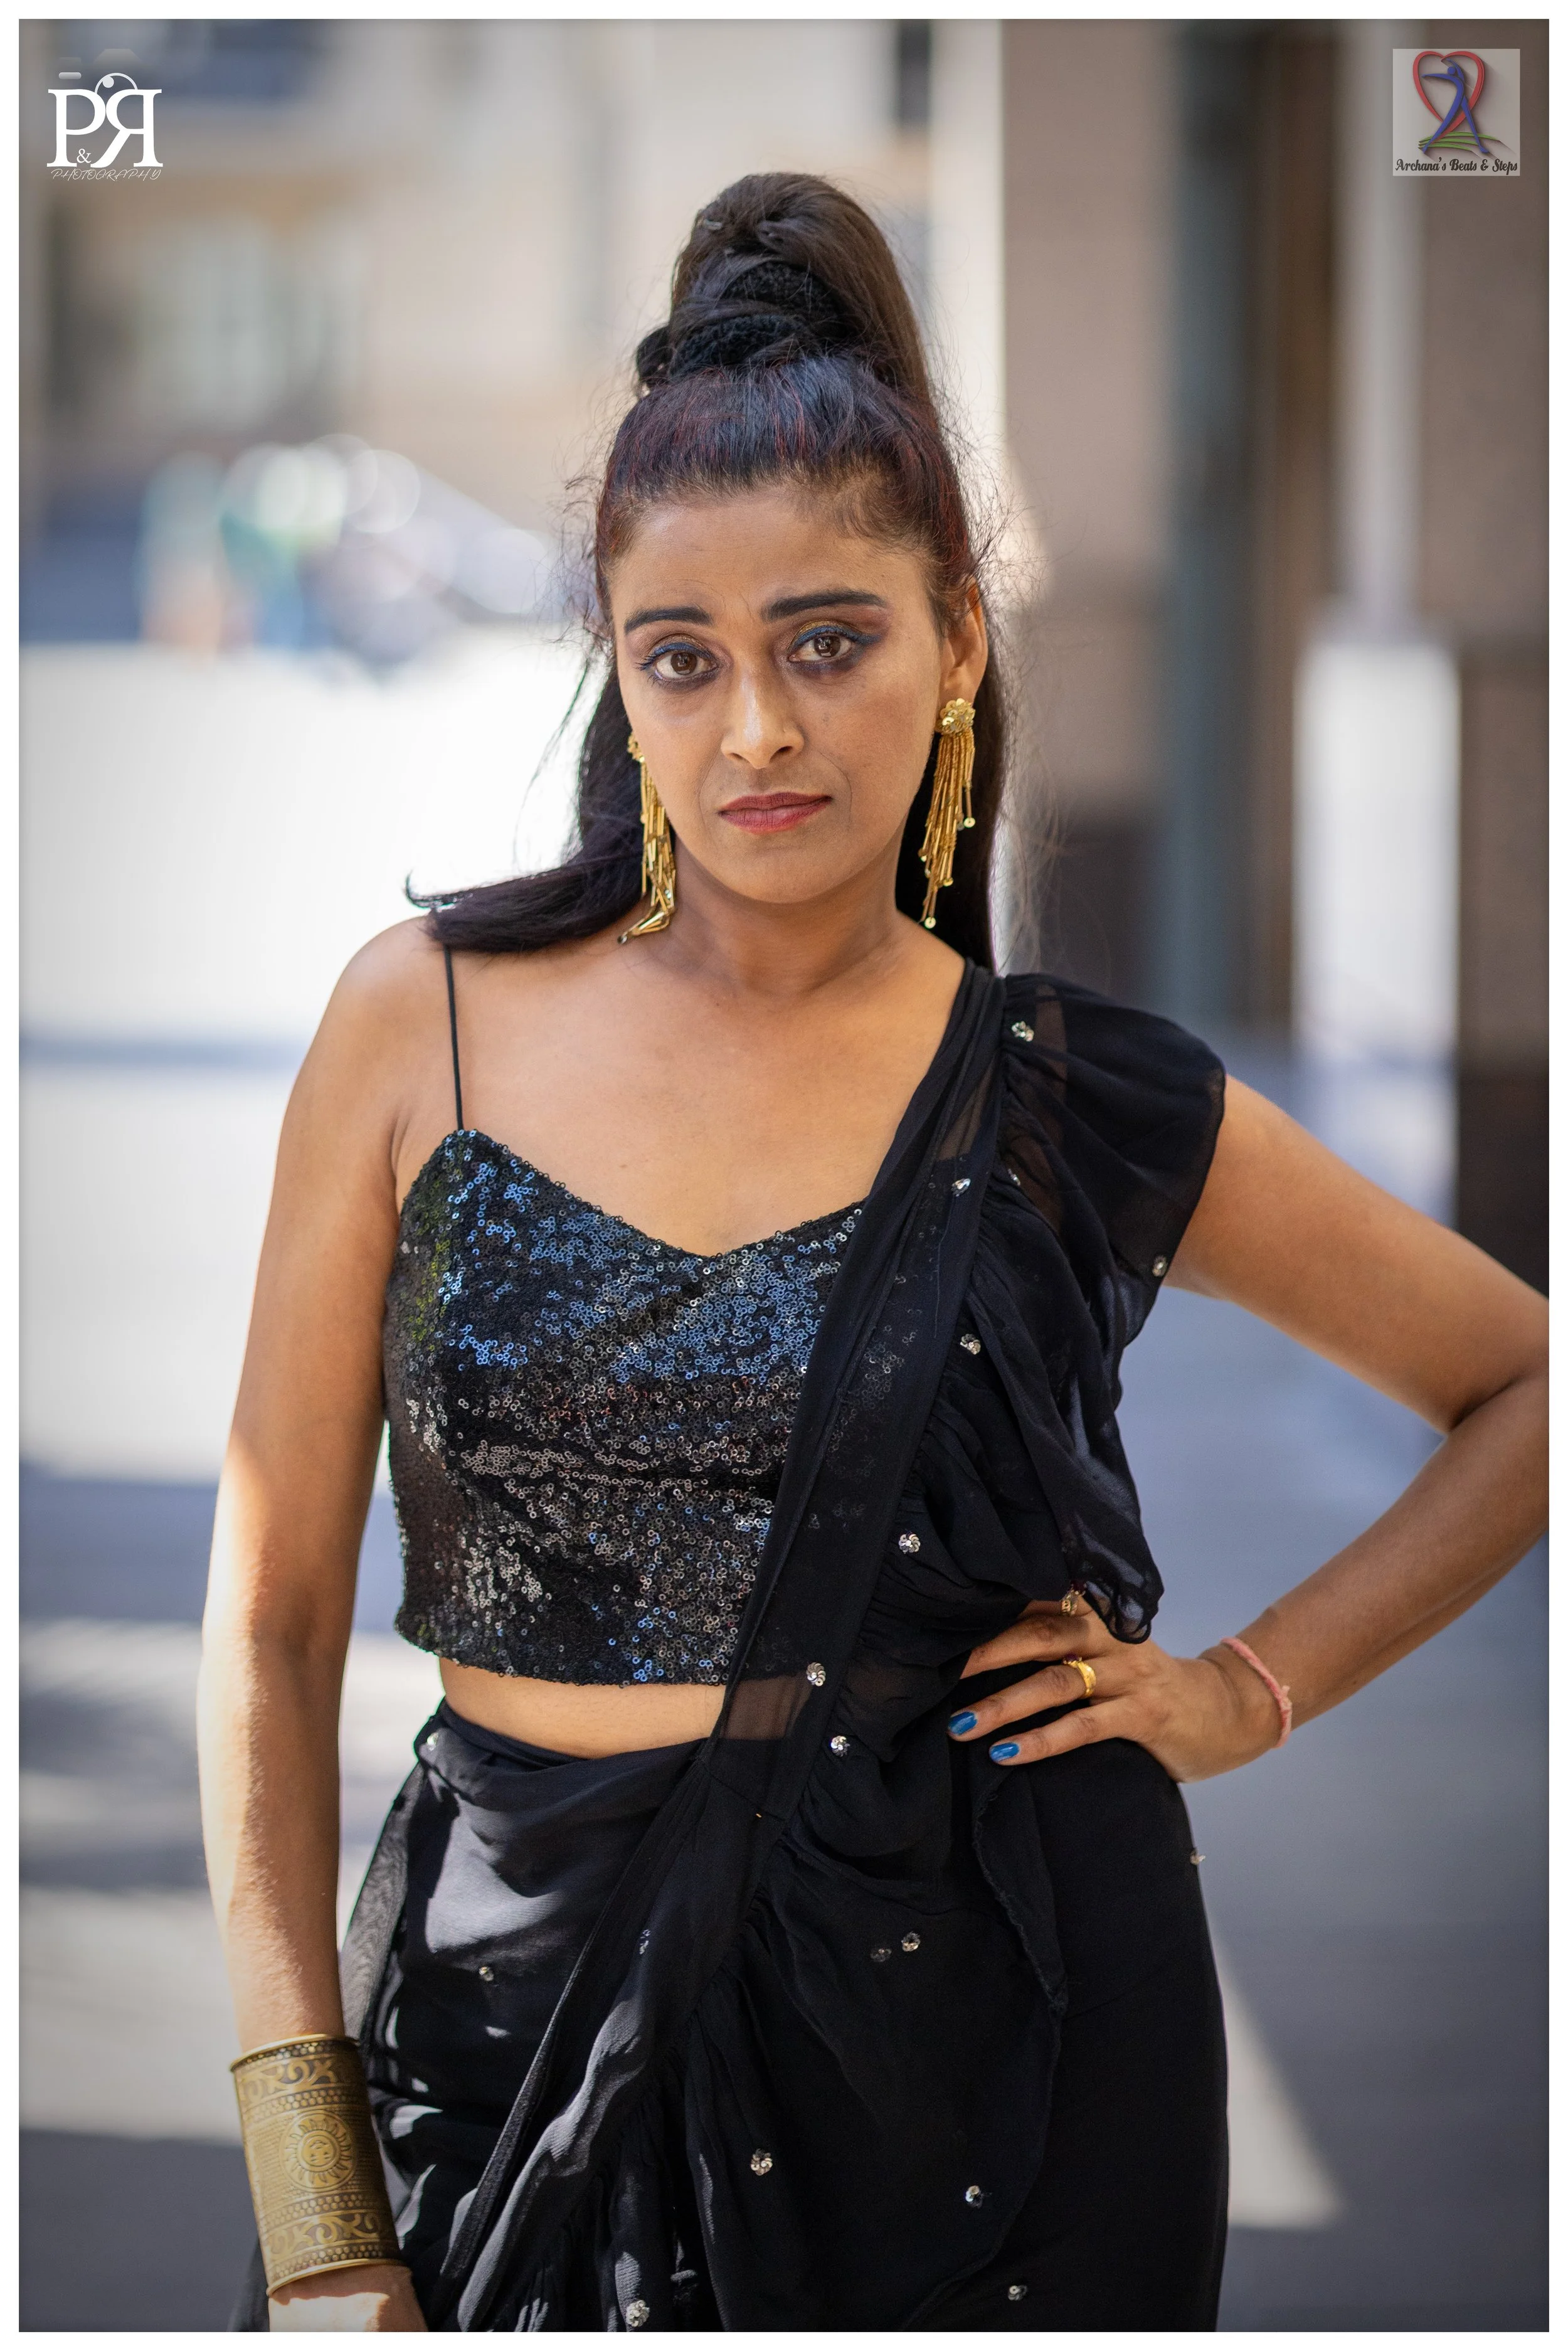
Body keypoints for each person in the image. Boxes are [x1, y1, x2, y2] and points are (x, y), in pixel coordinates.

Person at [199, 173, 1547, 2335]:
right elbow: (266, 1623)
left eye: (828, 642)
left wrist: (1242, 1691)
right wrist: (312, 2204)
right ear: (617, 684)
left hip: (1004, 2053)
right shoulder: (416, 1022)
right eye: (682, 658)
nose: (758, 731)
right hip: (503, 2035)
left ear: (953, 642)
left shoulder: (1067, 1094)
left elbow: (1525, 1384)